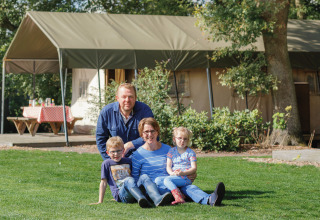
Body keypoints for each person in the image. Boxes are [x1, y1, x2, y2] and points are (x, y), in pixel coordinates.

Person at [132, 118, 225, 207]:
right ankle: (174, 196)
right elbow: (136, 179)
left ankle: (210, 199)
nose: (150, 134)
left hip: (173, 182)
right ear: (141, 135)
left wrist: (190, 174)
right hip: (155, 189)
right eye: (146, 132)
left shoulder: (168, 149)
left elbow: (181, 164)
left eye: (152, 131)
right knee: (180, 188)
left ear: (157, 132)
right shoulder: (138, 154)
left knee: (190, 188)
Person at [96, 83, 154, 160]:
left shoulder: (144, 111)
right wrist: (110, 160)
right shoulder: (107, 112)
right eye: (124, 97)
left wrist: (131, 144)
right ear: (117, 98)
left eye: (130, 97)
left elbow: (153, 135)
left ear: (135, 98)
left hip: (141, 158)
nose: (127, 100)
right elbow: (101, 139)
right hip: (117, 159)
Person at [90, 136, 152, 208]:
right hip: (121, 195)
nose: (116, 154)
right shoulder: (106, 164)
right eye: (113, 152)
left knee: (144, 177)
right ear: (108, 153)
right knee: (129, 180)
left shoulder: (128, 161)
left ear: (123, 151)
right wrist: (100, 201)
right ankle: (142, 200)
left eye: (118, 151)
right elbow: (103, 182)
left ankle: (156, 198)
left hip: (133, 190)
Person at [157, 127, 197, 205]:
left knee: (167, 180)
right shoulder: (171, 151)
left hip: (185, 178)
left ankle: (178, 197)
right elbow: (168, 166)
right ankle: (181, 193)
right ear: (174, 139)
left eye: (185, 139)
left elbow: (194, 168)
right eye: (179, 138)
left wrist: (183, 173)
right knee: (158, 180)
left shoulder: (190, 153)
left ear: (188, 140)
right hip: (174, 176)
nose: (182, 141)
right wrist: (171, 173)